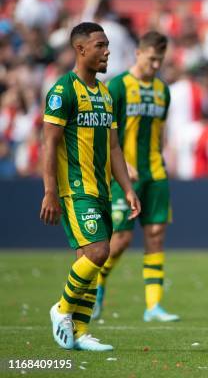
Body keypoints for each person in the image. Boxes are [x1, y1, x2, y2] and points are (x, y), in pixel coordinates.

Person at [40, 22, 141, 351]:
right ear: (80, 49)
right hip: (75, 190)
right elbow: (49, 144)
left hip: (102, 189)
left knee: (90, 259)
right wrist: (50, 192)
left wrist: (126, 188)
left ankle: (80, 332)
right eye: (100, 45)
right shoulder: (62, 91)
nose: (107, 51)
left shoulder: (105, 93)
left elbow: (114, 148)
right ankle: (62, 309)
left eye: (107, 45)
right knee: (99, 252)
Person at [91, 31, 178, 322]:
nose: (155, 65)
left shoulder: (162, 90)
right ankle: (98, 283)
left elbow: (160, 131)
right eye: (152, 59)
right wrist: (121, 164)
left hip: (155, 172)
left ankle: (153, 306)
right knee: (121, 240)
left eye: (160, 60)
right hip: (124, 174)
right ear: (139, 53)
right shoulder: (117, 86)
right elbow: (103, 131)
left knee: (155, 236)